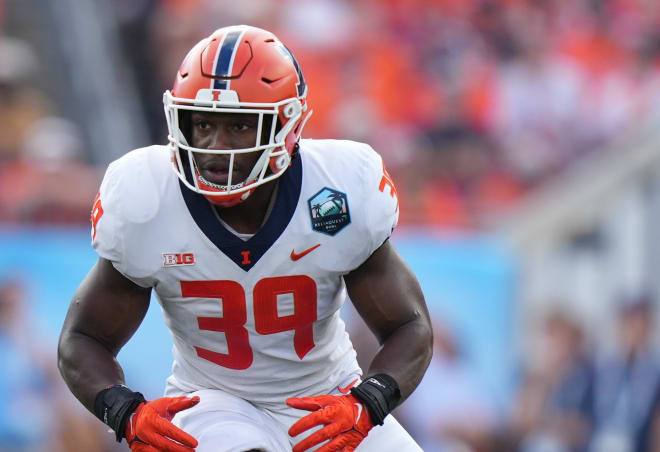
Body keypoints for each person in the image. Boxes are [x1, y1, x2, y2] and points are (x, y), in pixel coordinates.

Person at [58, 24, 433, 452]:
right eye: (201, 124)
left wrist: (369, 401)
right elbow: (84, 337)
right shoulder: (147, 197)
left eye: (239, 127)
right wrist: (123, 409)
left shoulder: (336, 191)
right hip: (212, 401)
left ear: (286, 127)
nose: (216, 147)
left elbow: (408, 326)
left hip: (328, 396)